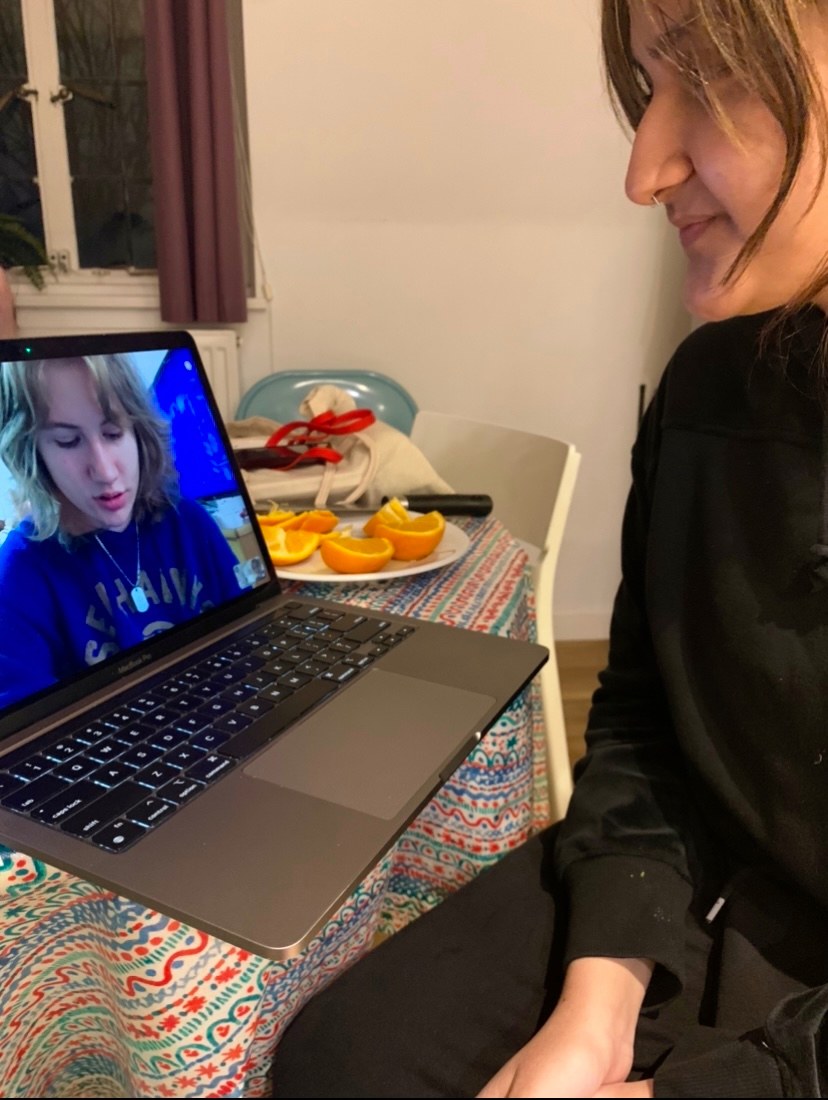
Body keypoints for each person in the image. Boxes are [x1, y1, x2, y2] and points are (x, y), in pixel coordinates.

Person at [267, 1, 828, 1097]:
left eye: (711, 80)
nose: (644, 169)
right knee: (346, 1062)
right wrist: (600, 991)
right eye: (647, 84)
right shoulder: (708, 392)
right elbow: (641, 713)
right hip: (708, 884)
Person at [0, 354, 244, 708]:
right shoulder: (19, 576)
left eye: (113, 433)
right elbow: (21, 738)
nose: (104, 471)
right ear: (33, 453)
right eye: (68, 441)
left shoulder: (186, 522)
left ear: (139, 433)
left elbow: (243, 636)